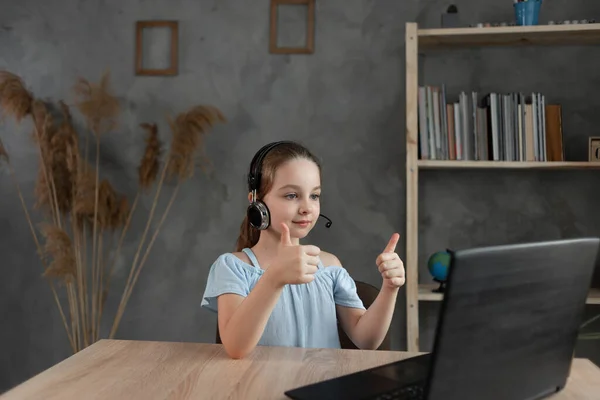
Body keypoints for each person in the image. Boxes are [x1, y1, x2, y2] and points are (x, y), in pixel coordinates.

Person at [201, 140, 405, 359]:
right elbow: (236, 348)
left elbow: (366, 341)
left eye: (314, 196)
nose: (307, 208)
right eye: (291, 195)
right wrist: (274, 278)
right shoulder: (233, 267)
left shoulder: (329, 267)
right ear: (256, 202)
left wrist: (390, 288)